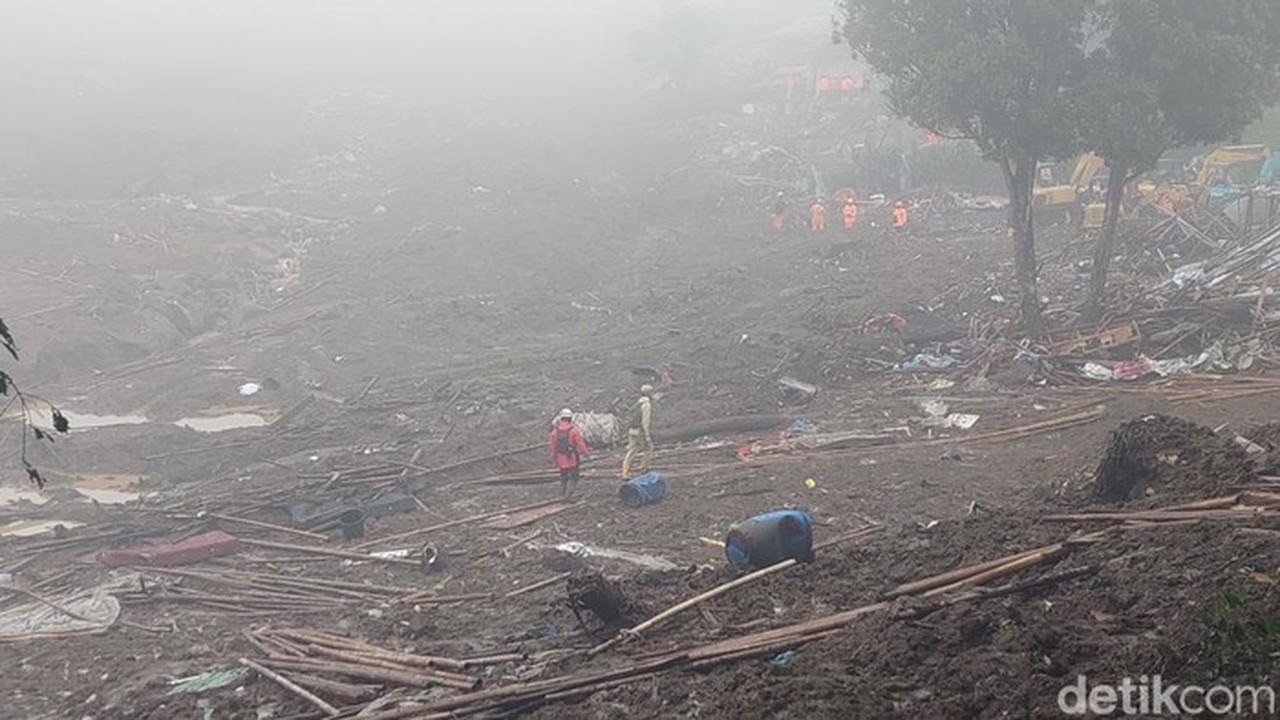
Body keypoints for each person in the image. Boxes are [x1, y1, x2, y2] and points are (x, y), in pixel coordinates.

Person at [549, 408, 589, 497]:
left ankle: (563, 491)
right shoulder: (573, 430)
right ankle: (571, 492)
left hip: (560, 459)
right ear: (570, 418)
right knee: (574, 476)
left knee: (563, 476)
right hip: (572, 459)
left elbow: (552, 445)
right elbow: (580, 443)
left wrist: (553, 456)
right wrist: (586, 453)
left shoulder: (555, 432)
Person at [620, 384, 654, 478]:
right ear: (649, 393)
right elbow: (645, 421)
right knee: (648, 448)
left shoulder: (637, 403)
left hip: (632, 430)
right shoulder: (646, 405)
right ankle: (643, 469)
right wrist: (647, 435)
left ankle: (625, 472)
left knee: (632, 450)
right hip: (640, 431)